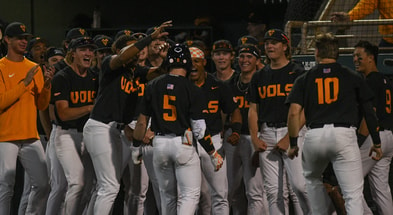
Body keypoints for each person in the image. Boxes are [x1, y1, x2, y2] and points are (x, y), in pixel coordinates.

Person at [286, 32, 382, 214]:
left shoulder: (304, 79)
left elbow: (293, 114)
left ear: (316, 53)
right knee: (352, 195)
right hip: (343, 135)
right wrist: (376, 142)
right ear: (338, 53)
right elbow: (369, 113)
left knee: (313, 183)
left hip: (314, 137)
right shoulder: (353, 76)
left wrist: (292, 143)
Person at [82, 20, 172, 215]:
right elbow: (123, 56)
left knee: (104, 187)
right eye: (131, 47)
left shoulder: (135, 71)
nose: (137, 51)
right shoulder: (111, 63)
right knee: (109, 187)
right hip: (100, 126)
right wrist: (149, 38)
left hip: (117, 130)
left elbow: (159, 74)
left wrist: (165, 59)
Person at [132, 43, 224, 215]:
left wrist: (136, 147)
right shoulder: (193, 89)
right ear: (188, 63)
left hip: (159, 144)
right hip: (183, 144)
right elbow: (199, 129)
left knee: (167, 196)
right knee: (189, 196)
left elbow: (142, 123)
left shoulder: (152, 85)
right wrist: (212, 153)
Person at [248, 29, 311, 215]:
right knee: (273, 191)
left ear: (285, 46)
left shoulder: (298, 72)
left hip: (293, 131)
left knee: (299, 186)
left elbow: (306, 109)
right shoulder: (259, 76)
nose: (269, 46)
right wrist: (254, 137)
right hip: (267, 132)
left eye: (274, 42)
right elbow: (253, 109)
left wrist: (290, 137)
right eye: (267, 43)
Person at [0, 21, 53, 215]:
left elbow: (42, 105)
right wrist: (25, 83)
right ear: (7, 39)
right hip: (5, 136)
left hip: (30, 136)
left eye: (26, 38)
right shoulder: (1, 67)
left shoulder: (34, 67)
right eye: (19, 38)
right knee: (6, 187)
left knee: (43, 183)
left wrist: (47, 85)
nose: (24, 41)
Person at [189, 46, 242, 215]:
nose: (192, 65)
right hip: (188, 142)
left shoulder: (217, 86)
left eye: (196, 61)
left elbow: (234, 110)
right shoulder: (181, 85)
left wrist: (235, 131)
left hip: (213, 140)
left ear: (204, 62)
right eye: (188, 62)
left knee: (220, 193)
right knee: (196, 194)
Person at [51, 36, 98, 214]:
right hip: (66, 134)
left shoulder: (95, 77)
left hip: (89, 134)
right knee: (75, 183)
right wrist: (88, 107)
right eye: (83, 49)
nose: (89, 53)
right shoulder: (62, 77)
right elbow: (63, 113)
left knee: (89, 186)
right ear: (72, 54)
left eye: (91, 50)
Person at [223, 44, 269, 215]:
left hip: (254, 137)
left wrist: (258, 140)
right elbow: (223, 111)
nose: (245, 60)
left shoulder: (263, 82)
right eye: (242, 56)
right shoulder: (231, 83)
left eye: (249, 56)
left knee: (255, 191)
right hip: (232, 138)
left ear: (257, 60)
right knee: (229, 190)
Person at [353, 40, 393, 215]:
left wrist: (359, 140)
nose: (355, 59)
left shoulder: (369, 81)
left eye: (358, 56)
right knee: (381, 189)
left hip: (373, 137)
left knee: (349, 182)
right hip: (389, 137)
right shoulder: (387, 80)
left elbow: (371, 115)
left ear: (371, 58)